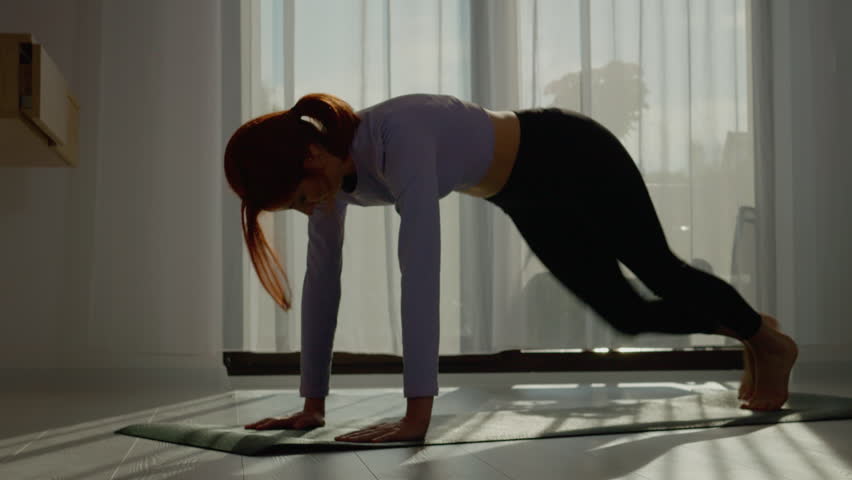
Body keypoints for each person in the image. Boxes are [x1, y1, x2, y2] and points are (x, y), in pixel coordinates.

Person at [224, 93, 799, 443]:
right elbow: (323, 280)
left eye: (298, 199)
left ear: (311, 156)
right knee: (624, 313)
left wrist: (416, 414)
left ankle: (768, 343)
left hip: (572, 152)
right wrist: (313, 405)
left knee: (660, 271)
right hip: (524, 194)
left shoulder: (397, 136)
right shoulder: (330, 182)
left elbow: (420, 268)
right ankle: (748, 324)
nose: (308, 211)